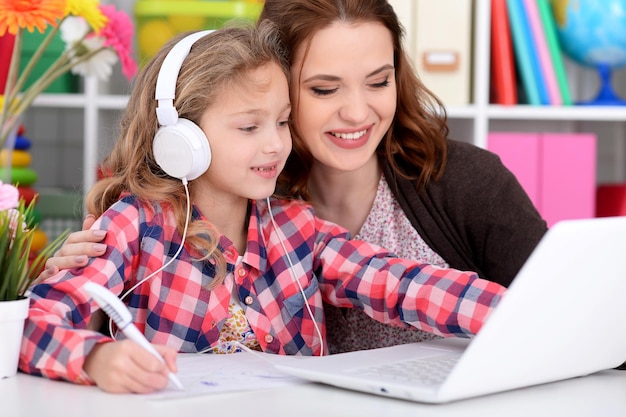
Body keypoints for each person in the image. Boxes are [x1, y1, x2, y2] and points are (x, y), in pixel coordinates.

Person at [20, 21, 506, 394]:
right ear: (180, 139)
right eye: (249, 128)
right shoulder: (134, 226)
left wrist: (511, 314)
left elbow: (400, 283)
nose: (276, 144)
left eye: (282, 122)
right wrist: (94, 359)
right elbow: (32, 325)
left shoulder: (298, 229)